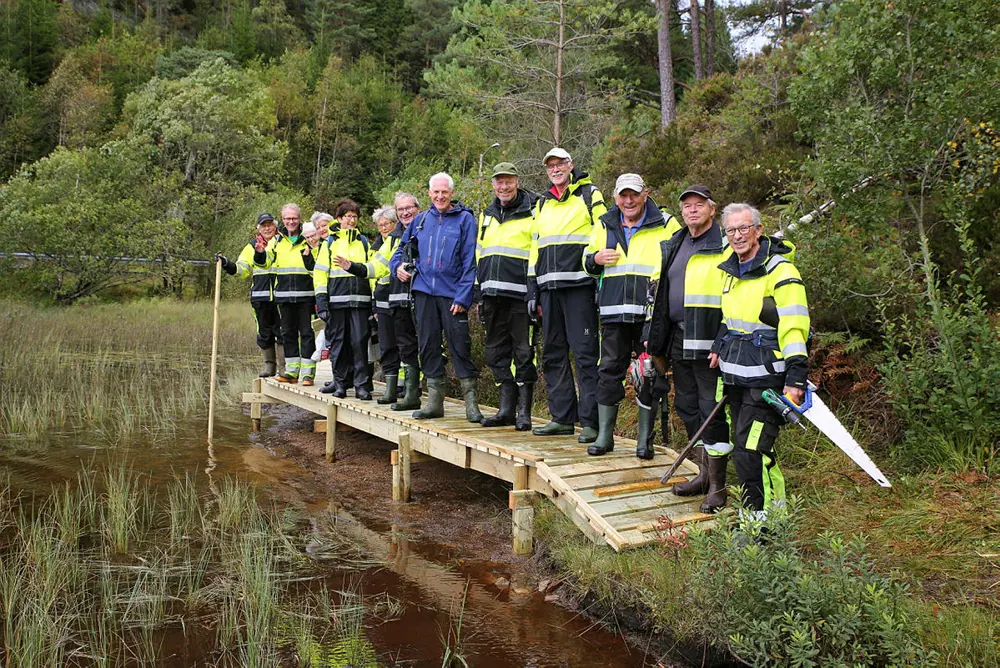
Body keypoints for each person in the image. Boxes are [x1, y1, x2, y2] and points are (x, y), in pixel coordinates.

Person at [708, 203, 809, 516]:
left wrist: (795, 378)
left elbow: (794, 328)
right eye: (731, 230)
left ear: (758, 231)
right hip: (736, 380)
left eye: (743, 228)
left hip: (767, 382)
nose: (737, 236)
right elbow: (732, 319)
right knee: (755, 452)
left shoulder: (781, 272)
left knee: (750, 452)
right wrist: (718, 345)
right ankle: (775, 515)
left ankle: (757, 526)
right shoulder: (729, 272)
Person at [648, 185, 734, 512]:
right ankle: (702, 474)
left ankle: (719, 486)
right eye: (687, 206)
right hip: (678, 339)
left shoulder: (723, 245)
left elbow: (735, 295)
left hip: (710, 343)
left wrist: (724, 338)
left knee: (710, 411)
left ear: (713, 209)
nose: (692, 210)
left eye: (699, 205)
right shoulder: (677, 242)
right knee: (687, 407)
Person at [582, 174, 680, 457]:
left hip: (650, 314)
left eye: (634, 195)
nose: (628, 201)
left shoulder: (666, 222)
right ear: (616, 197)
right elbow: (586, 261)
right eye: (623, 195)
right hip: (613, 313)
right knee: (608, 372)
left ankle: (644, 441)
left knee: (648, 372)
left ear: (645, 194)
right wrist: (595, 260)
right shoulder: (604, 223)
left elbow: (679, 259)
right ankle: (604, 437)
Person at [527, 148, 606, 442]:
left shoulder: (588, 194)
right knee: (553, 354)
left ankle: (590, 422)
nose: (556, 169)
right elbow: (535, 246)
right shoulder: (542, 203)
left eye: (560, 164)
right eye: (551, 165)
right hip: (549, 290)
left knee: (586, 355)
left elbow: (603, 231)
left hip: (579, 287)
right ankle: (561, 417)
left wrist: (596, 274)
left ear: (571, 165)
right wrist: (532, 287)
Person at [389, 173, 482, 423]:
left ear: (451, 193)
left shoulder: (465, 220)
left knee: (459, 346)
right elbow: (398, 251)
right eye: (436, 192)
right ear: (429, 194)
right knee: (428, 345)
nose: (440, 196)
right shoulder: (420, 220)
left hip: (452, 295)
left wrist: (463, 297)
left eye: (444, 192)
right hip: (423, 293)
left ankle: (471, 405)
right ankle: (434, 403)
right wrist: (397, 267)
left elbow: (470, 261)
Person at [476, 162, 538, 430]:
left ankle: (524, 412)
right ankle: (506, 410)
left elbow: (537, 251)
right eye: (499, 182)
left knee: (524, 354)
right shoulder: (486, 215)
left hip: (521, 296)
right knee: (494, 354)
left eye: (508, 181)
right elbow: (479, 255)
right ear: (493, 184)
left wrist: (534, 291)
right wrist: (479, 294)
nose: (504, 186)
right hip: (491, 295)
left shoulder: (532, 211)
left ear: (517, 181)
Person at [315, 198, 374, 399]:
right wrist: (322, 302)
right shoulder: (330, 242)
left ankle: (361, 386)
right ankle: (340, 384)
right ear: (339, 219)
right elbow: (320, 273)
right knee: (339, 344)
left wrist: (373, 301)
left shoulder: (364, 242)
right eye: (348, 216)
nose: (351, 220)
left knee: (359, 343)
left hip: (360, 302)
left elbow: (370, 273)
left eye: (354, 217)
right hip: (337, 302)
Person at [215, 212, 282, 377]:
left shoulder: (283, 242)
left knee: (283, 331)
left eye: (270, 225)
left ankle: (284, 368)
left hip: (282, 296)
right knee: (264, 332)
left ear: (275, 226)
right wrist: (226, 264)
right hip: (260, 297)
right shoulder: (251, 246)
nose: (267, 228)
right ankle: (269, 366)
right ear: (258, 228)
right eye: (263, 225)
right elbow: (241, 270)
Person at [384, 192, 423, 412]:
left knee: (428, 344)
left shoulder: (426, 227)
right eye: (401, 210)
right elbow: (387, 261)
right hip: (399, 298)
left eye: (409, 208)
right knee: (405, 346)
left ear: (418, 208)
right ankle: (411, 392)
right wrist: (396, 267)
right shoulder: (393, 235)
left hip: (423, 297)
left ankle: (431, 393)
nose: (406, 212)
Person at [271, 203, 317, 385]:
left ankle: (308, 374)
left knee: (306, 332)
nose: (291, 222)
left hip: (305, 295)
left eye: (294, 218)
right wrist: (259, 253)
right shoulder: (277, 241)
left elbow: (318, 267)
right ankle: (291, 372)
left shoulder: (309, 239)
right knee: (287, 333)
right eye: (287, 219)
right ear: (282, 220)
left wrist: (310, 254)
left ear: (300, 219)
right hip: (284, 295)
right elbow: (264, 260)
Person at [369, 205, 404, 404]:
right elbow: (373, 275)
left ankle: (404, 385)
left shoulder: (399, 240)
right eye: (380, 225)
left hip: (398, 297)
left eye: (387, 223)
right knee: (387, 344)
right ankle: (392, 386)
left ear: (395, 223)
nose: (383, 228)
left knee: (403, 342)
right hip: (381, 300)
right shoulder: (376, 246)